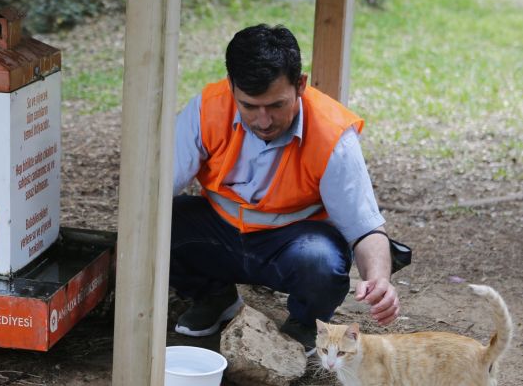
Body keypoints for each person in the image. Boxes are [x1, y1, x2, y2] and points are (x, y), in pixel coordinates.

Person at [170, 24, 399, 355]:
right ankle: (213, 297)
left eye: (276, 105)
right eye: (249, 106)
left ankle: (304, 322)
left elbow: (365, 230)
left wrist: (380, 281)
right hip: (217, 233)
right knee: (162, 222)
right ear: (232, 87)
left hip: (292, 244)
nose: (263, 121)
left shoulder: (332, 135)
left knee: (323, 262)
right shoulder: (207, 108)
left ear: (301, 85)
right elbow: (154, 193)